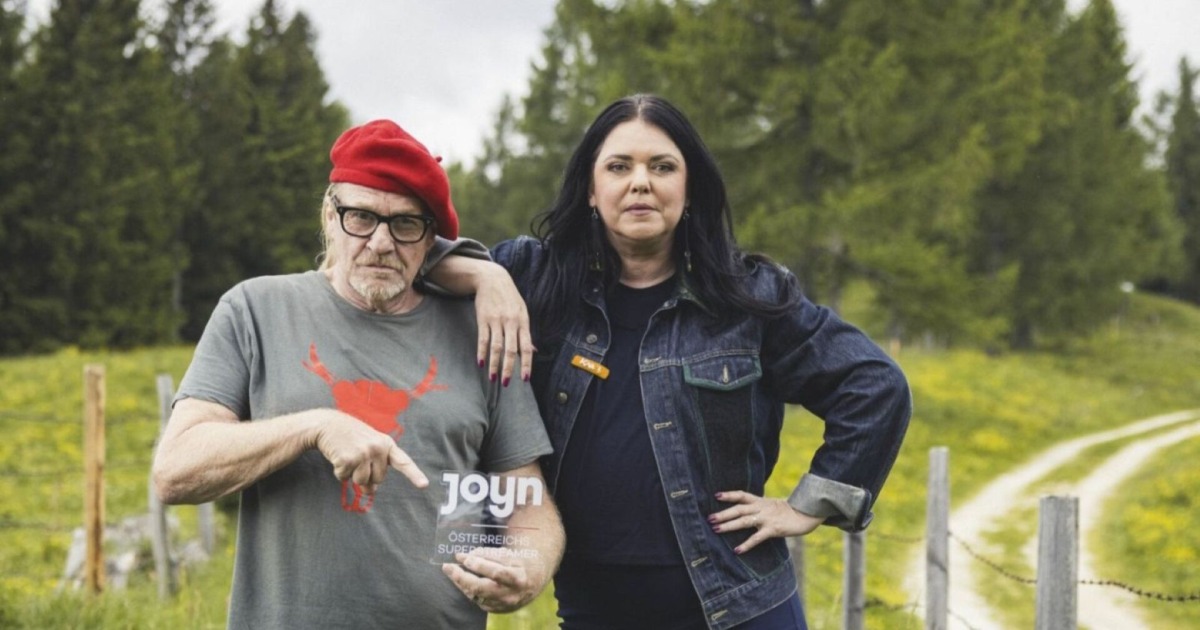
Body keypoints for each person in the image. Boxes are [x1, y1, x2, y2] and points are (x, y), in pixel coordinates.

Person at [429, 94, 912, 629]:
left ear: (690, 189)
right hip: (596, 610)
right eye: (619, 167)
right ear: (590, 189)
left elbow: (874, 385)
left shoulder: (748, 297)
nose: (640, 182)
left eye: (662, 167)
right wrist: (486, 276)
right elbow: (408, 261)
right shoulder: (534, 278)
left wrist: (805, 507)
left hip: (739, 606)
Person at [151, 119, 564, 629]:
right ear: (330, 216)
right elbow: (176, 471)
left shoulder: (483, 332)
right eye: (361, 217)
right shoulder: (255, 310)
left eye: (405, 224)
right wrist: (315, 427)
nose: (381, 243)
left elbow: (528, 499)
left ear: (431, 239)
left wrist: (530, 565)